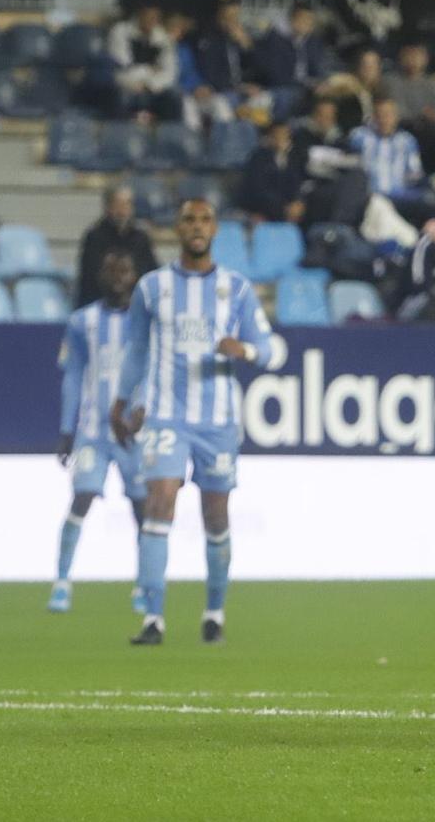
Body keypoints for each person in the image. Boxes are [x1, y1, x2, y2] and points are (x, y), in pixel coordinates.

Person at [111, 198, 287, 646]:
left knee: (216, 513)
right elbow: (135, 349)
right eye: (188, 218)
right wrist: (120, 400)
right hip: (167, 414)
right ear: (177, 226)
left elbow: (273, 350)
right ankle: (153, 620)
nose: (196, 226)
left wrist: (243, 350)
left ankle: (214, 612)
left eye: (204, 219)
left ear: (215, 230)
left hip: (218, 423)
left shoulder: (238, 289)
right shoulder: (152, 288)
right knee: (160, 500)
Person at [48, 250, 146, 616]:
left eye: (125, 269)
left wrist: (141, 412)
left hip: (133, 435)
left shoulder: (144, 323)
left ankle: (143, 585)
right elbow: (72, 376)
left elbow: (153, 372)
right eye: (112, 270)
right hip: (93, 431)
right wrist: (65, 429)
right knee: (83, 497)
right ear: (102, 276)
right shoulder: (82, 321)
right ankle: (61, 582)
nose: (118, 276)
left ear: (134, 276)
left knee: (142, 507)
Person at [75, 185, 159, 305]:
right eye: (118, 205)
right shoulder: (94, 237)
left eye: (127, 204)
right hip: (101, 304)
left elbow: (151, 272)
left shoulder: (141, 237)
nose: (122, 211)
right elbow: (89, 279)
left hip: (136, 304)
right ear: (107, 207)